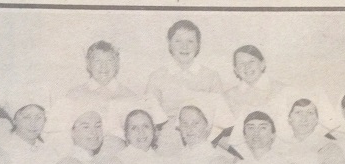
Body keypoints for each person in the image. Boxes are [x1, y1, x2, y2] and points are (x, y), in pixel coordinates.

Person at [146, 20, 225, 153]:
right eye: (178, 41)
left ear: (198, 45)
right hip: (168, 141)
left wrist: (205, 144)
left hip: (201, 141)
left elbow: (220, 118)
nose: (184, 47)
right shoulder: (157, 76)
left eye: (190, 41)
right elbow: (149, 116)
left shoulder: (211, 76)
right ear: (170, 44)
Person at [67, 40, 136, 154]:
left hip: (121, 155)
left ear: (117, 64)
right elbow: (65, 134)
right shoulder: (74, 95)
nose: (103, 66)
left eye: (109, 60)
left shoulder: (130, 96)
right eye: (97, 61)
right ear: (88, 64)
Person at [225, 45, 287, 118]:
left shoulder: (282, 91)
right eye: (241, 63)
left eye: (251, 61)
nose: (247, 66)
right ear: (236, 70)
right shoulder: (228, 97)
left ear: (262, 64)